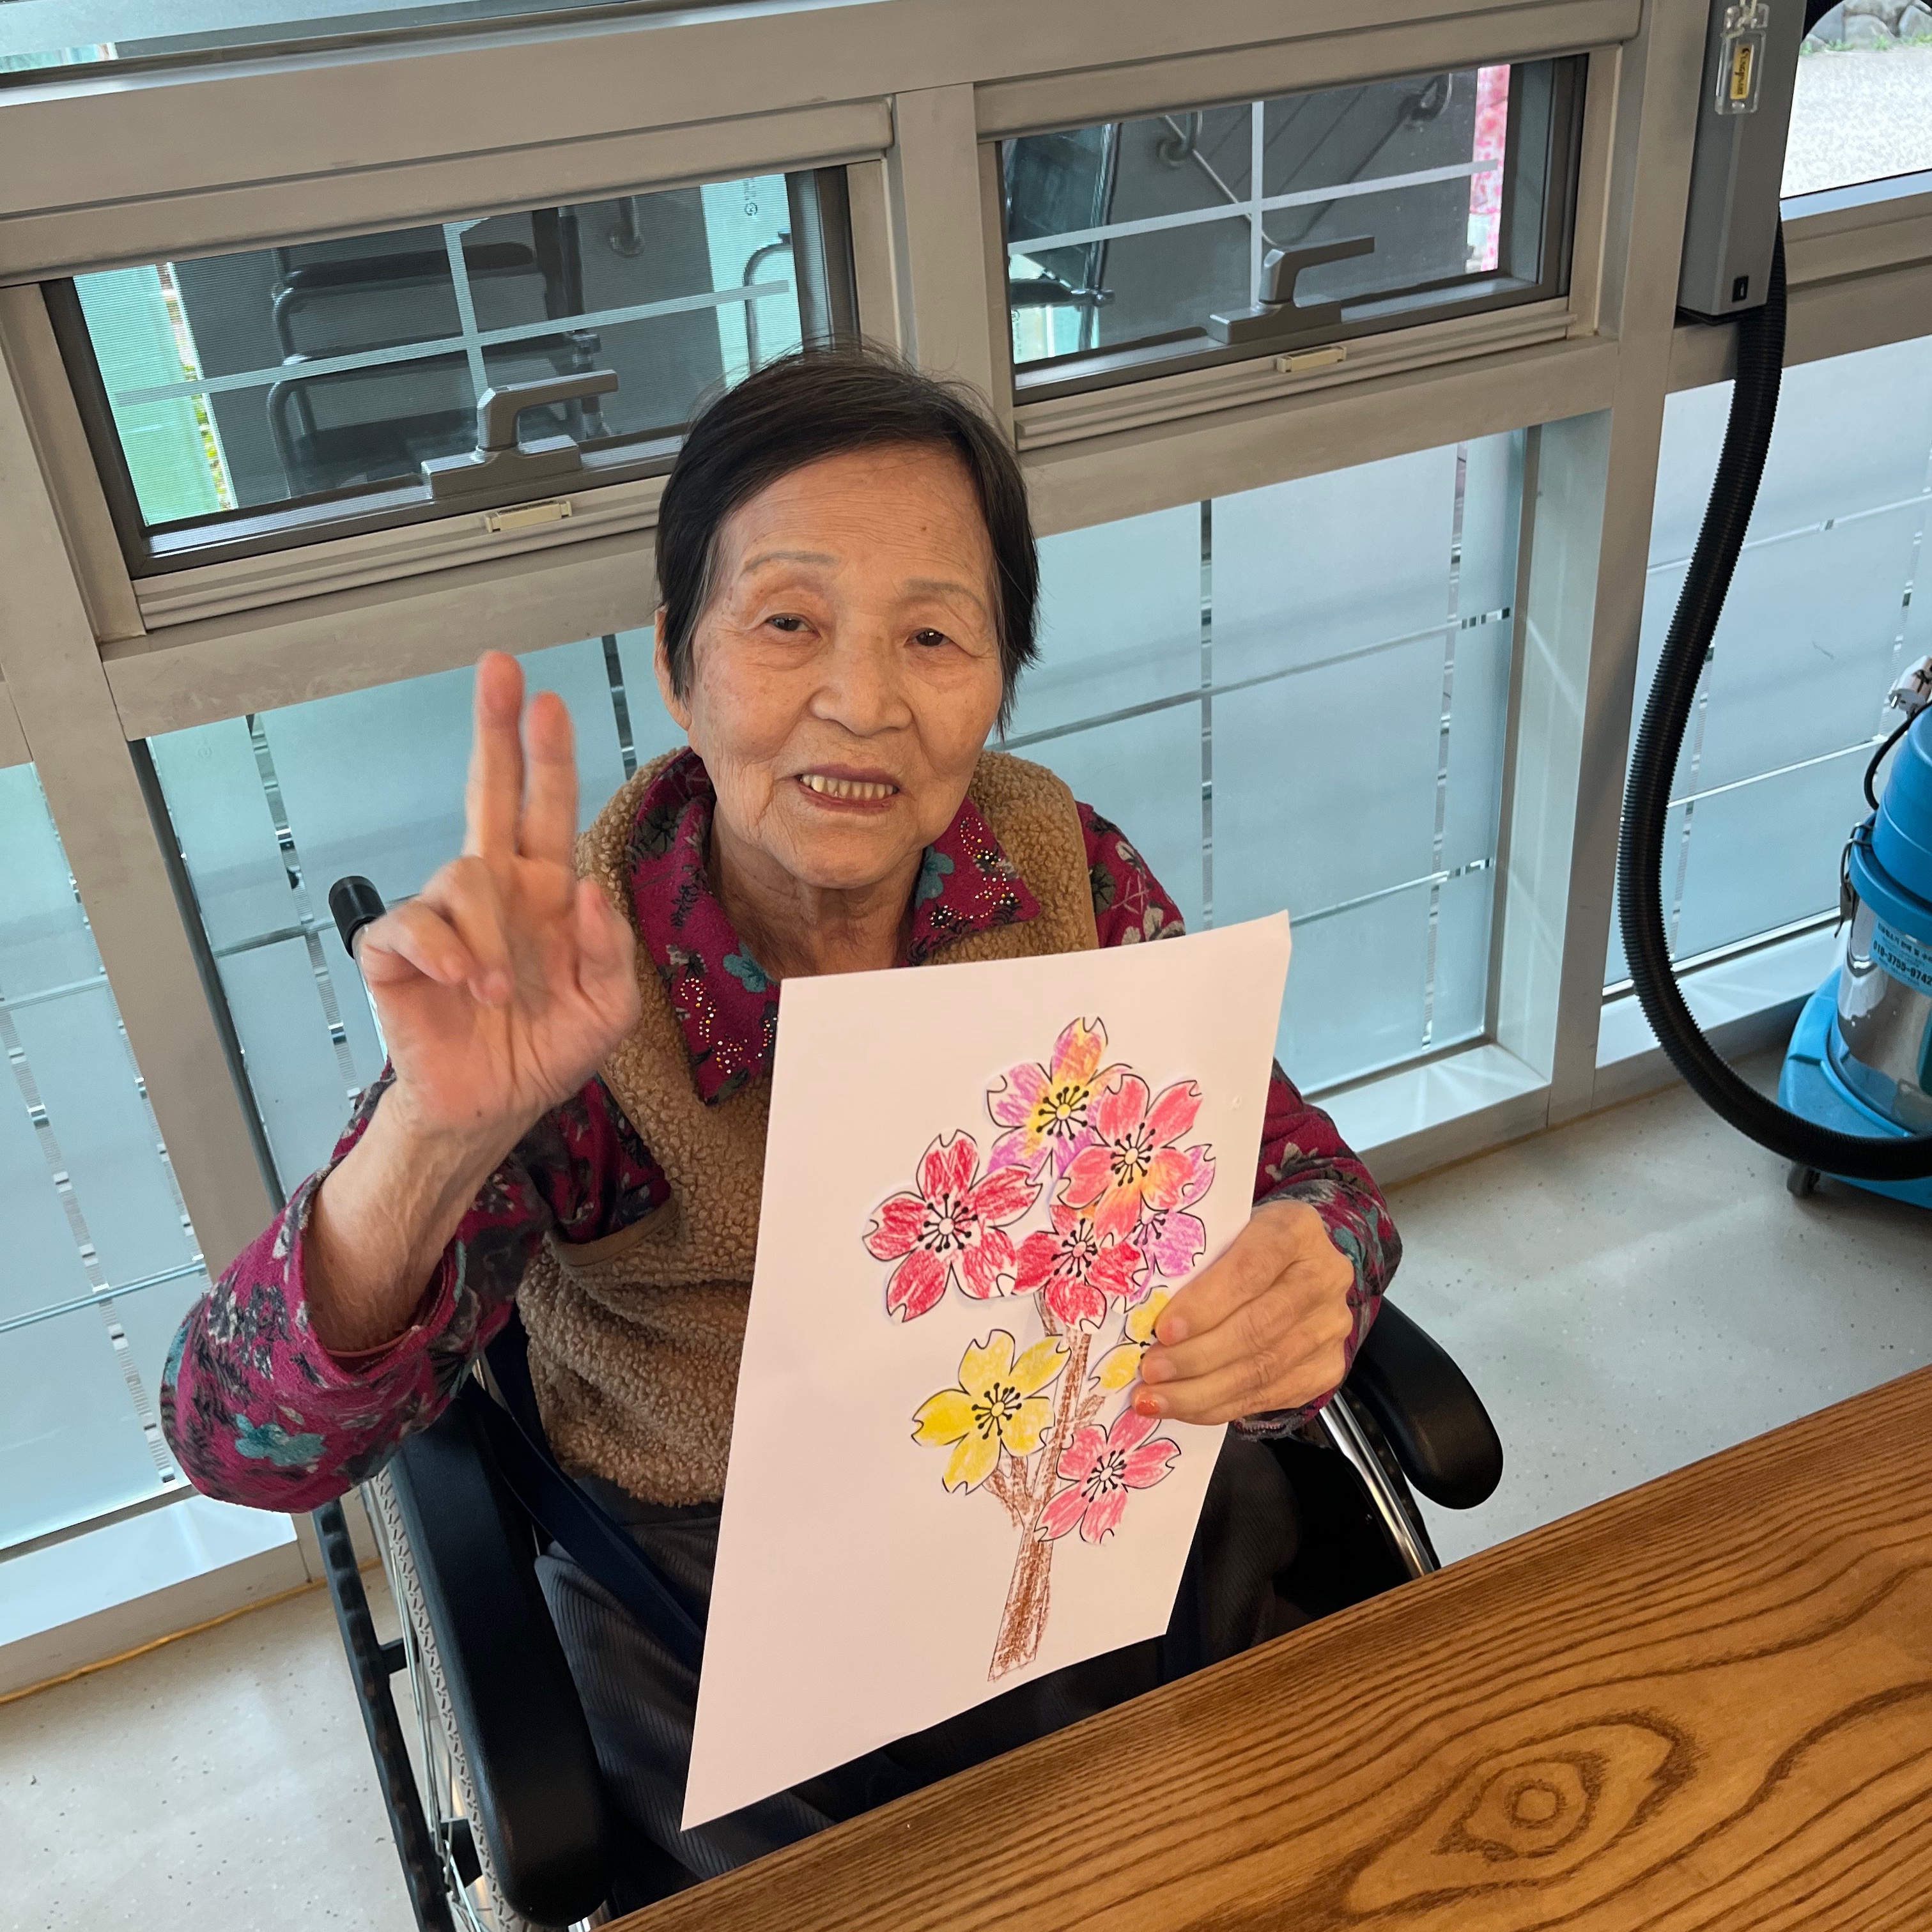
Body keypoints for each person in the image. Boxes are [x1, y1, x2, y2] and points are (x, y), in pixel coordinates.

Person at [161, 347, 1400, 1906]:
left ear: (998, 678)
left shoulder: (1057, 872)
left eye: (932, 635)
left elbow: (1301, 1170)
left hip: (1077, 1513)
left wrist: (1309, 1262)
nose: (862, 702)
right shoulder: (578, 979)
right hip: (714, 1586)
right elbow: (239, 1439)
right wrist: (432, 1138)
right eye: (788, 622)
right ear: (679, 668)